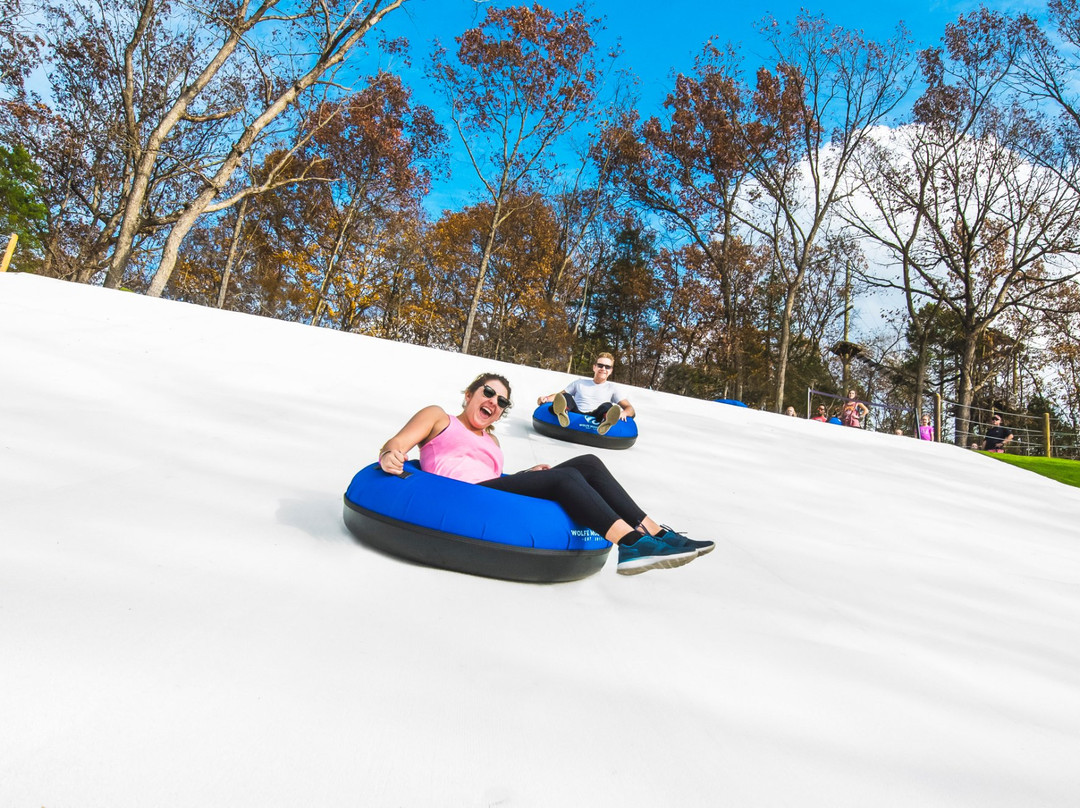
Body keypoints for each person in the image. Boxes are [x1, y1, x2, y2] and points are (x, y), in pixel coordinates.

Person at [378, 373, 713, 576]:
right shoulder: (440, 418)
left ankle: (657, 533)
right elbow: (399, 442)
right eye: (488, 393)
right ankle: (630, 543)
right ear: (470, 395)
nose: (494, 402)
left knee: (588, 463)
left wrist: (527, 474)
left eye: (502, 402)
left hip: (490, 493)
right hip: (463, 495)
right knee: (565, 480)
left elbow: (495, 479)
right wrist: (391, 453)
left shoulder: (492, 440)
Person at [537, 352, 635, 436]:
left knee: (608, 405)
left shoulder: (613, 388)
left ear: (611, 371)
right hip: (575, 412)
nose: (603, 368)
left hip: (597, 416)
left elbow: (630, 408)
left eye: (607, 367)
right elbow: (559, 396)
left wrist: (624, 413)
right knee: (566, 396)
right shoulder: (579, 383)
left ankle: (606, 422)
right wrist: (545, 398)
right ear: (594, 367)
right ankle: (563, 414)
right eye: (600, 365)